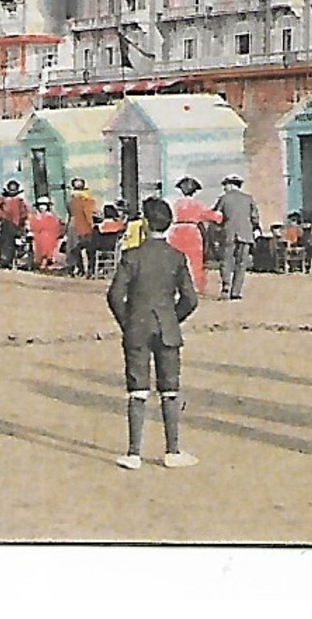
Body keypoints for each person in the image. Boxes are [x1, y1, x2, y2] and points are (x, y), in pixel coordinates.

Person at [107, 196, 199, 470]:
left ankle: (134, 453)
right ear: (169, 225)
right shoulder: (177, 257)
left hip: (137, 327)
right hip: (167, 328)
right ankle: (173, 451)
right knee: (170, 389)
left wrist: (129, 322)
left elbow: (114, 295)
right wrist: (172, 318)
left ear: (145, 224)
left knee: (137, 389)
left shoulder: (131, 256)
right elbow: (190, 299)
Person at [211, 175, 262, 301]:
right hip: (245, 234)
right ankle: (236, 291)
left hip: (228, 234)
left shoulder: (223, 199)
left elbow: (216, 217)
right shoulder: (248, 199)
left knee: (226, 261)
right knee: (241, 263)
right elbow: (255, 218)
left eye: (225, 185)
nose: (224, 188)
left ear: (231, 185)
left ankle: (226, 287)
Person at [169, 176, 222, 295]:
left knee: (175, 260)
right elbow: (214, 217)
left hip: (175, 232)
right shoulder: (198, 205)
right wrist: (219, 214)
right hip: (192, 232)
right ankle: (196, 287)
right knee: (195, 261)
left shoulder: (175, 203)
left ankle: (175, 287)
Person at [63, 178, 99, 277]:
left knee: (73, 249)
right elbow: (89, 214)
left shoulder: (71, 200)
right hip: (84, 226)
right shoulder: (88, 200)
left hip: (74, 225)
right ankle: (88, 270)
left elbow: (70, 214)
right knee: (89, 249)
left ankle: (77, 269)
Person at [0, 181, 29, 270]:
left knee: (18, 243)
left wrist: (23, 221)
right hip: (6, 223)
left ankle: (17, 260)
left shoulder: (20, 200)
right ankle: (5, 260)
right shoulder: (2, 199)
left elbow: (25, 211)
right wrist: (3, 215)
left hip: (18, 224)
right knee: (5, 241)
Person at [29, 196, 64, 270]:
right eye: (40, 205)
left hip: (50, 237)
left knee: (47, 244)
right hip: (37, 236)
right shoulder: (34, 217)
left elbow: (56, 228)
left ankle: (45, 262)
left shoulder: (53, 217)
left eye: (44, 205)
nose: (42, 207)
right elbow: (33, 227)